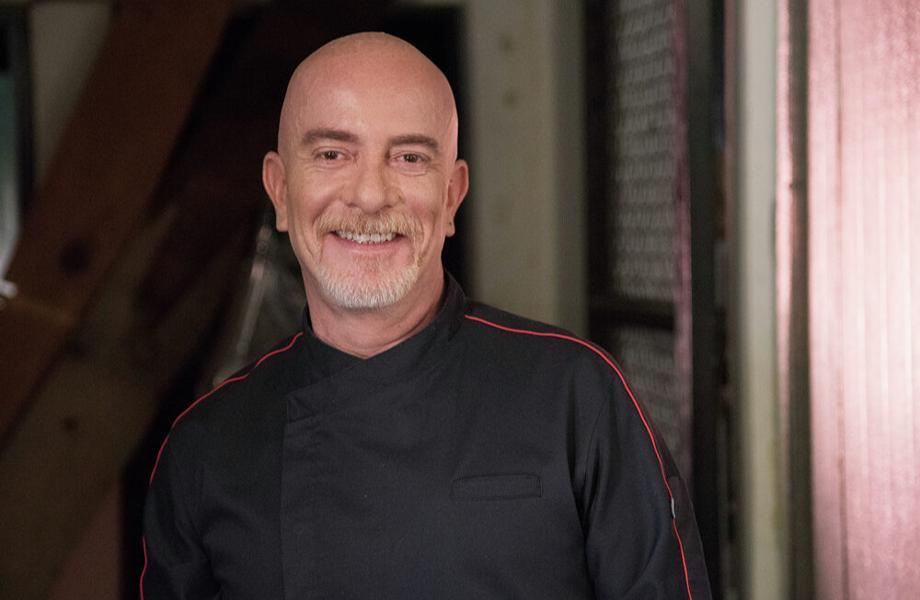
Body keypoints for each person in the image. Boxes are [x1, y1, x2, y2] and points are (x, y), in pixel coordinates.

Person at [141, 32, 711, 599]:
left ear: (452, 196)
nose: (370, 195)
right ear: (281, 191)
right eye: (332, 154)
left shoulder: (578, 397)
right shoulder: (207, 449)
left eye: (409, 157)